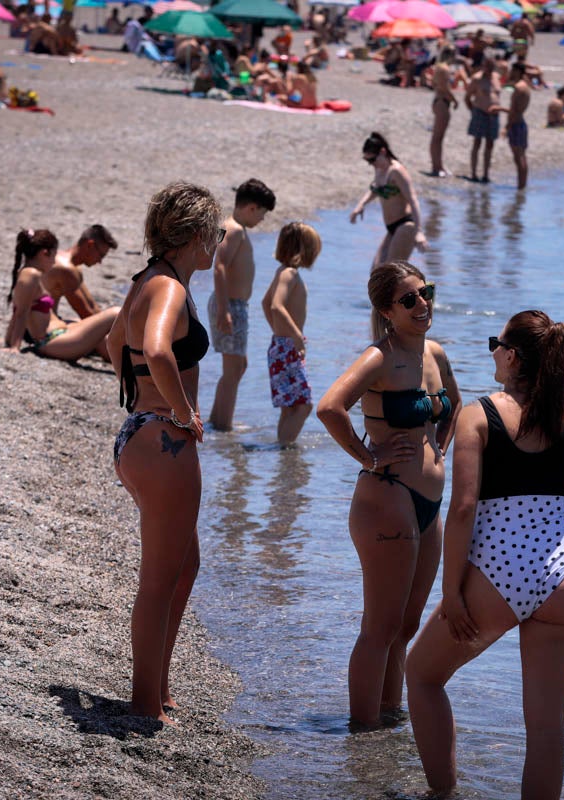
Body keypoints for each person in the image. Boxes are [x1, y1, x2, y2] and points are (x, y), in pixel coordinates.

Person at [404, 309, 564, 799]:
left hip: (496, 572)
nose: (492, 354)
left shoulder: (479, 414)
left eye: (495, 344)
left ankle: (443, 794)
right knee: (546, 730)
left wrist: (452, 593)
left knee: (422, 675)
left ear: (513, 356)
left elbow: (461, 511)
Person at [317, 261, 462, 729]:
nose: (423, 305)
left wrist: (441, 444)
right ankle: (362, 733)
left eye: (426, 293)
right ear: (386, 310)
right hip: (387, 498)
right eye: (409, 299)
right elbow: (329, 408)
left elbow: (455, 404)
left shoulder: (435, 354)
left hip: (428, 507)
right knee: (379, 628)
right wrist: (368, 457)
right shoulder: (378, 357)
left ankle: (388, 716)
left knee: (406, 626)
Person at [106, 182, 221, 723]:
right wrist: (180, 413)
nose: (218, 243)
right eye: (215, 234)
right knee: (159, 581)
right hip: (163, 442)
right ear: (197, 236)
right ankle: (144, 702)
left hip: (140, 436)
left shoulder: (147, 280)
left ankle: (157, 686)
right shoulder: (169, 289)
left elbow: (113, 343)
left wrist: (142, 405)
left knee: (184, 566)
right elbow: (154, 350)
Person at [207, 179, 277, 432]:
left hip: (236, 305)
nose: (262, 220)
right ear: (251, 208)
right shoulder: (233, 229)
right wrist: (224, 309)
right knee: (233, 367)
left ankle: (218, 419)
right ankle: (222, 427)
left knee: (239, 365)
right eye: (262, 214)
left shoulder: (238, 230)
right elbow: (220, 266)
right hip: (230, 305)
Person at [2, 229, 120, 360]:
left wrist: (8, 339)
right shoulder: (34, 274)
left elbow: (18, 309)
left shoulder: (31, 273)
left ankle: (130, 359)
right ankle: (130, 360)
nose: (54, 262)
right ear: (44, 253)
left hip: (58, 332)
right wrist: (14, 346)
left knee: (97, 329)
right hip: (52, 340)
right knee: (115, 314)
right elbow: (21, 313)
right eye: (53, 256)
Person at [260, 222, 322, 446]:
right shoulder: (290, 274)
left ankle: (283, 455)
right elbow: (276, 306)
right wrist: (295, 336)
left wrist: (278, 331)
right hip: (287, 346)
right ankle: (284, 450)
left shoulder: (282, 271)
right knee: (304, 406)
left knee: (289, 407)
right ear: (304, 250)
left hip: (280, 343)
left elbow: (265, 303)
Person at [351, 133, 429, 269]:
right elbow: (376, 189)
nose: (371, 164)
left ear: (383, 151)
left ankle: (425, 289)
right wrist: (361, 205)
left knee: (390, 274)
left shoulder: (396, 171)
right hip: (391, 228)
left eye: (373, 160)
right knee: (376, 272)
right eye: (367, 161)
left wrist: (419, 231)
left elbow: (413, 200)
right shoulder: (380, 169)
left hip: (405, 225)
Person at [44, 224, 119, 319]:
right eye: (101, 255)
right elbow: (86, 314)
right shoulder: (65, 269)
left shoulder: (71, 266)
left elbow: (93, 306)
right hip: (36, 330)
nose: (100, 261)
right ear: (90, 245)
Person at [428, 46, 464, 178]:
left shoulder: (439, 67)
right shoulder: (443, 68)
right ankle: (436, 166)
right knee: (437, 137)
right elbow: (444, 87)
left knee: (439, 137)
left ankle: (439, 165)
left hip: (441, 101)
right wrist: (455, 100)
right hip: (442, 102)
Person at [465, 58, 502, 184]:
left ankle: (486, 173)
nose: (490, 69)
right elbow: (468, 97)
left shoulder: (496, 77)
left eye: (492, 66)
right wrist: (474, 110)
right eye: (488, 66)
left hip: (494, 115)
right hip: (480, 112)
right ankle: (474, 173)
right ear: (484, 66)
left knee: (490, 144)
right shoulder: (477, 79)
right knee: (477, 142)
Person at [504, 61, 531, 191]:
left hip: (516, 124)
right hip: (521, 122)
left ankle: (521, 186)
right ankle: (522, 185)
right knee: (522, 156)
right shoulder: (525, 86)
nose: (511, 73)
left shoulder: (518, 88)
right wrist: (500, 109)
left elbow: (514, 111)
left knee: (518, 156)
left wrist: (507, 127)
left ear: (518, 72)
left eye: (513, 70)